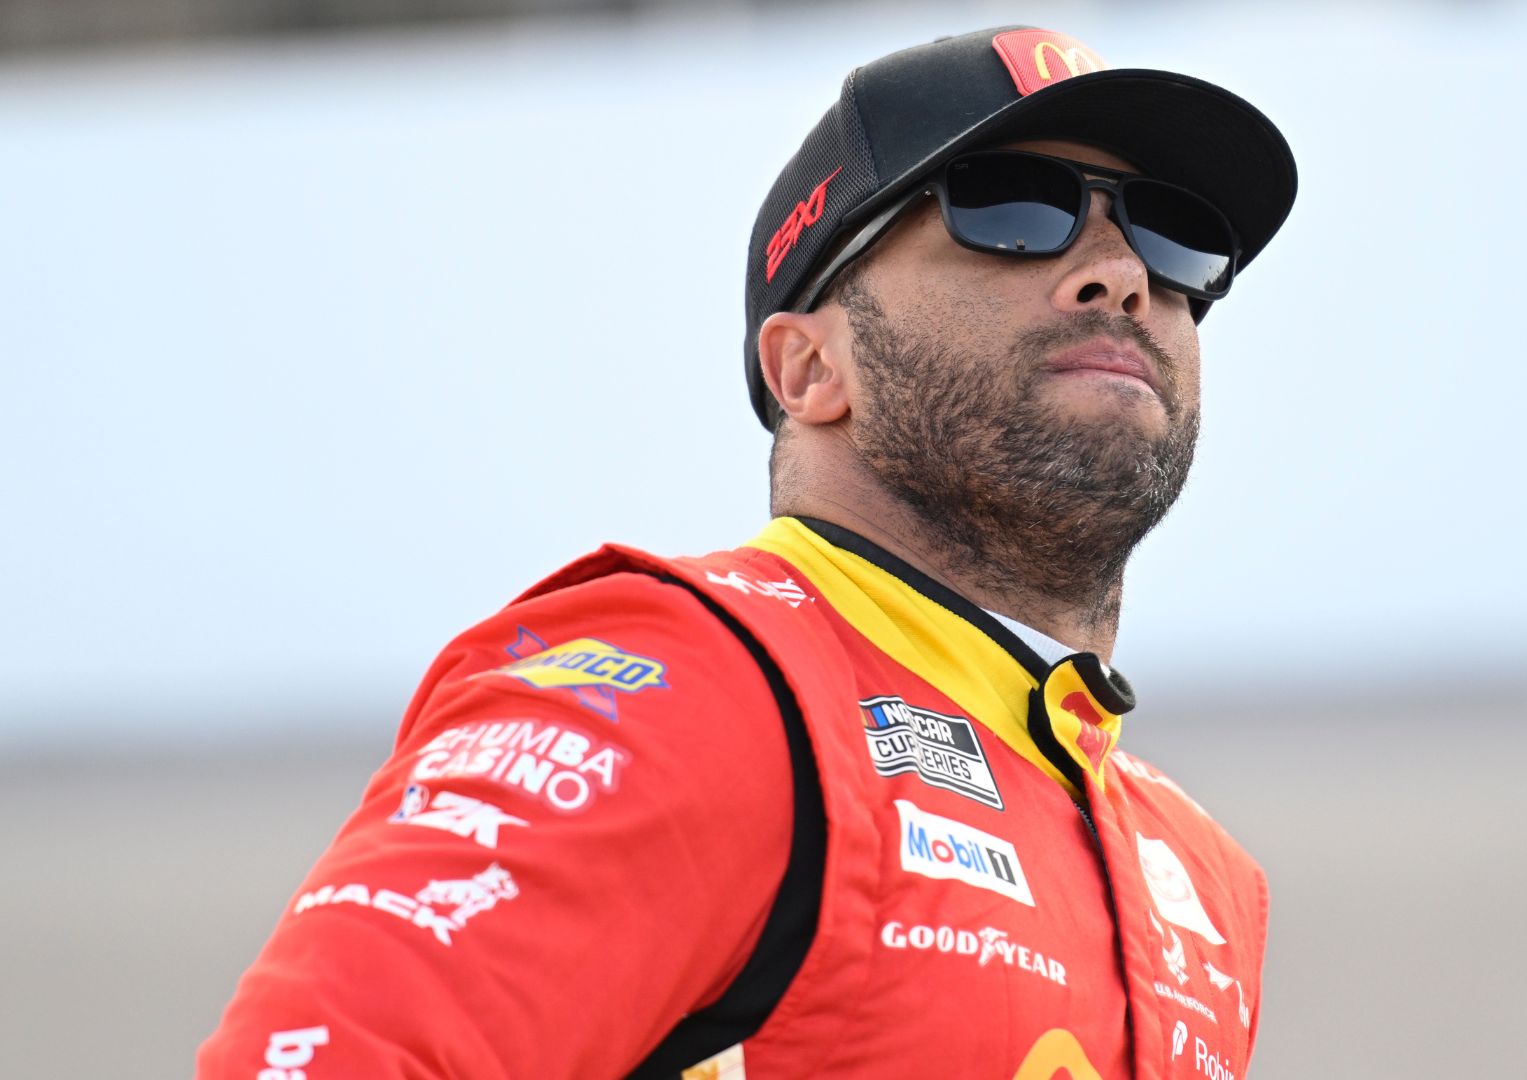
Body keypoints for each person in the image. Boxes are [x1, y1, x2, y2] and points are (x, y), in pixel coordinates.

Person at [198, 24, 1296, 1080]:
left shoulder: (1204, 878)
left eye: (1169, 232)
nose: (1120, 274)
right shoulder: (687, 683)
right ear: (810, 370)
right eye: (1011, 210)